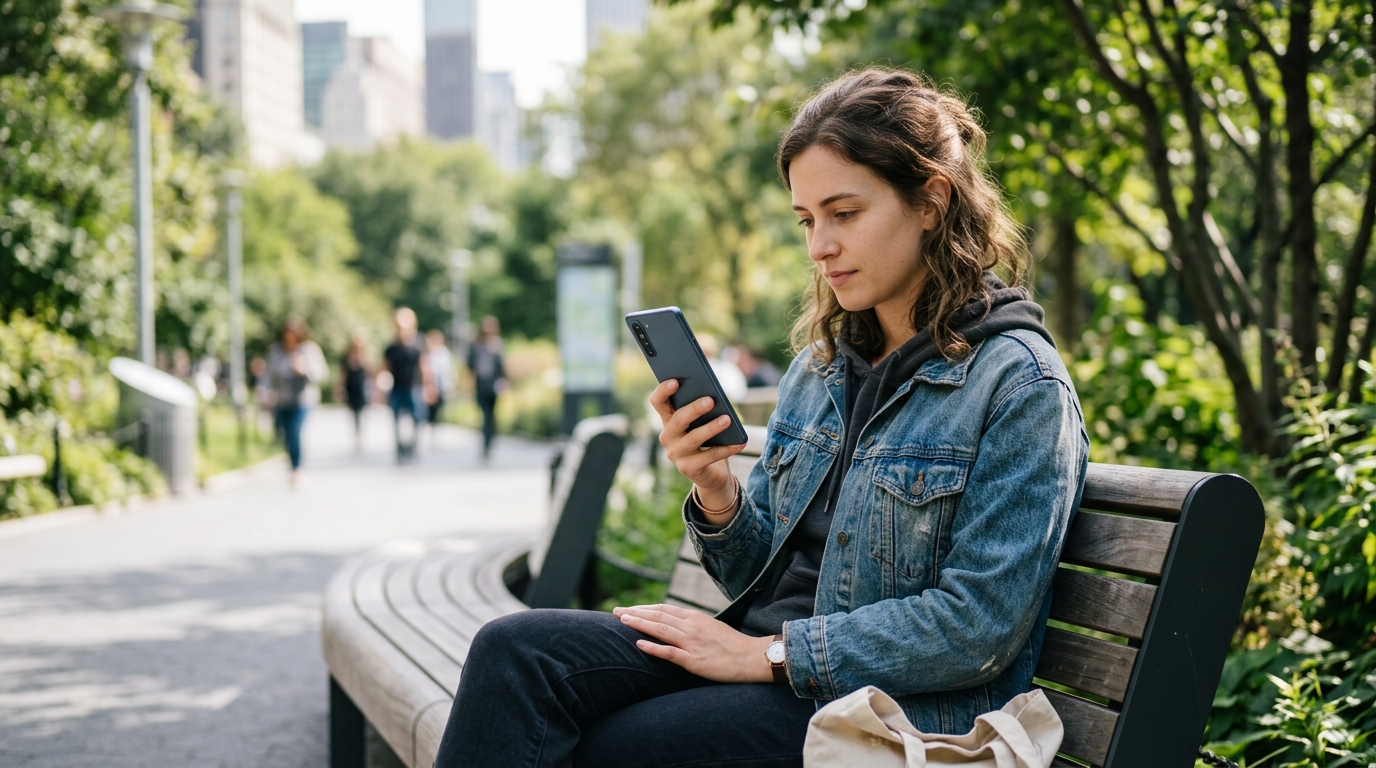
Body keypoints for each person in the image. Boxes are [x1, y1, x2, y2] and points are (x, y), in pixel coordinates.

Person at [434, 68, 1088, 767]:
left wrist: (769, 653)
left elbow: (977, 626)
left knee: (610, 747)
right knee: (513, 651)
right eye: (808, 220)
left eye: (844, 214)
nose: (819, 247)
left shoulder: (1019, 384)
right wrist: (716, 490)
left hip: (883, 714)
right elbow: (757, 570)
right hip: (768, 667)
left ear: (930, 201)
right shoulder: (823, 368)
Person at [264, 318, 328, 486]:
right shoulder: (276, 351)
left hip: (303, 400)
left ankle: (297, 468)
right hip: (282, 400)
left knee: (295, 432)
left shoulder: (309, 350)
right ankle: (292, 464)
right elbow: (268, 376)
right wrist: (265, 392)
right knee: (285, 435)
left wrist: (304, 370)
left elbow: (321, 374)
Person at [381, 308, 430, 462]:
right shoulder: (391, 347)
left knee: (417, 419)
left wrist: (429, 386)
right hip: (397, 388)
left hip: (415, 387)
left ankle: (413, 447)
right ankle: (400, 449)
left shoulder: (418, 342)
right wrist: (379, 389)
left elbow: (424, 366)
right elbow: (384, 368)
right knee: (396, 421)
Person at [466, 316, 507, 460]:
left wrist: (504, 382)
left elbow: (502, 366)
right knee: (485, 416)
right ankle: (485, 442)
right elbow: (470, 365)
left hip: (493, 386)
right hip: (481, 385)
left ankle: (490, 443)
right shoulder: (477, 345)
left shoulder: (498, 345)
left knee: (492, 416)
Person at [340, 334, 370, 451]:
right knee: (353, 413)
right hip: (351, 389)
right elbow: (343, 374)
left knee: (362, 413)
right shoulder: (346, 358)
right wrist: (340, 387)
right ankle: (356, 436)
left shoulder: (365, 357)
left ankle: (361, 434)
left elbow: (370, 373)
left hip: (362, 389)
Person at [425, 329, 456, 437]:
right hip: (432, 386)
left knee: (439, 409)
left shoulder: (444, 354)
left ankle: (437, 430)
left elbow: (447, 371)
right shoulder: (429, 353)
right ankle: (432, 429)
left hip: (441, 386)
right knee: (431, 410)